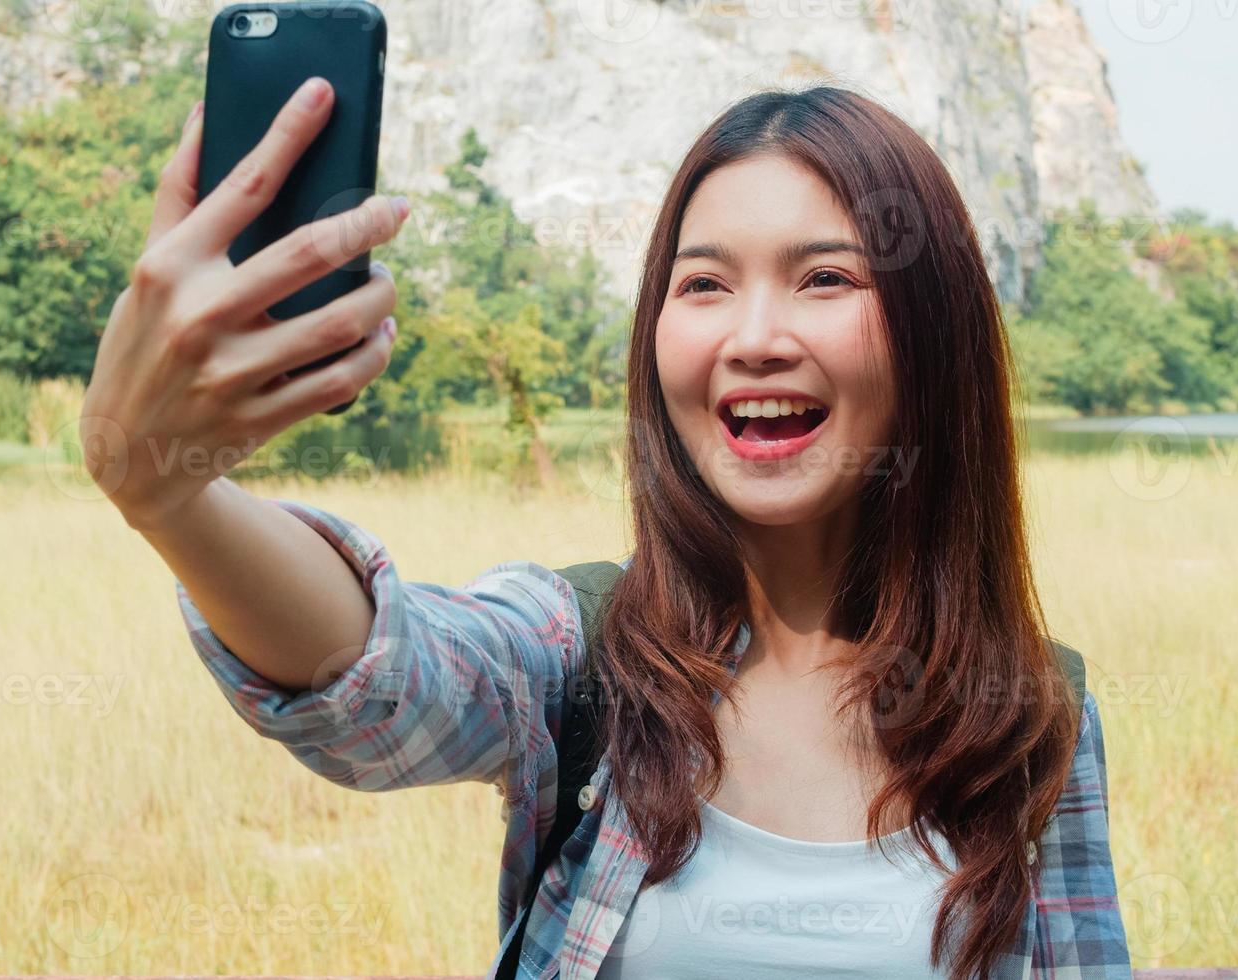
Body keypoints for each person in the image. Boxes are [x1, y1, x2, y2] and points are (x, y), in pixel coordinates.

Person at [80, 76, 1132, 980]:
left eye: (824, 278)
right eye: (704, 284)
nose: (753, 337)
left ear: (928, 337)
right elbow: (379, 683)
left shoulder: (1029, 715)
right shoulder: (580, 652)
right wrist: (169, 494)